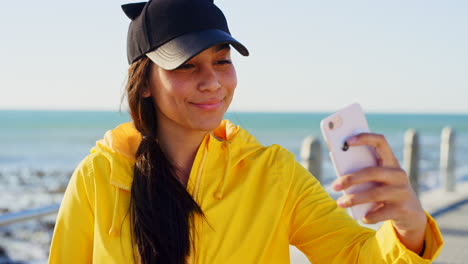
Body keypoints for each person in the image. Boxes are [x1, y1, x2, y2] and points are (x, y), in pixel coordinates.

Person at [48, 0, 443, 263]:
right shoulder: (99, 177)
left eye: (221, 61)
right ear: (145, 81)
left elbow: (357, 256)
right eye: (186, 65)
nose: (212, 82)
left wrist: (409, 228)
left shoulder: (273, 173)